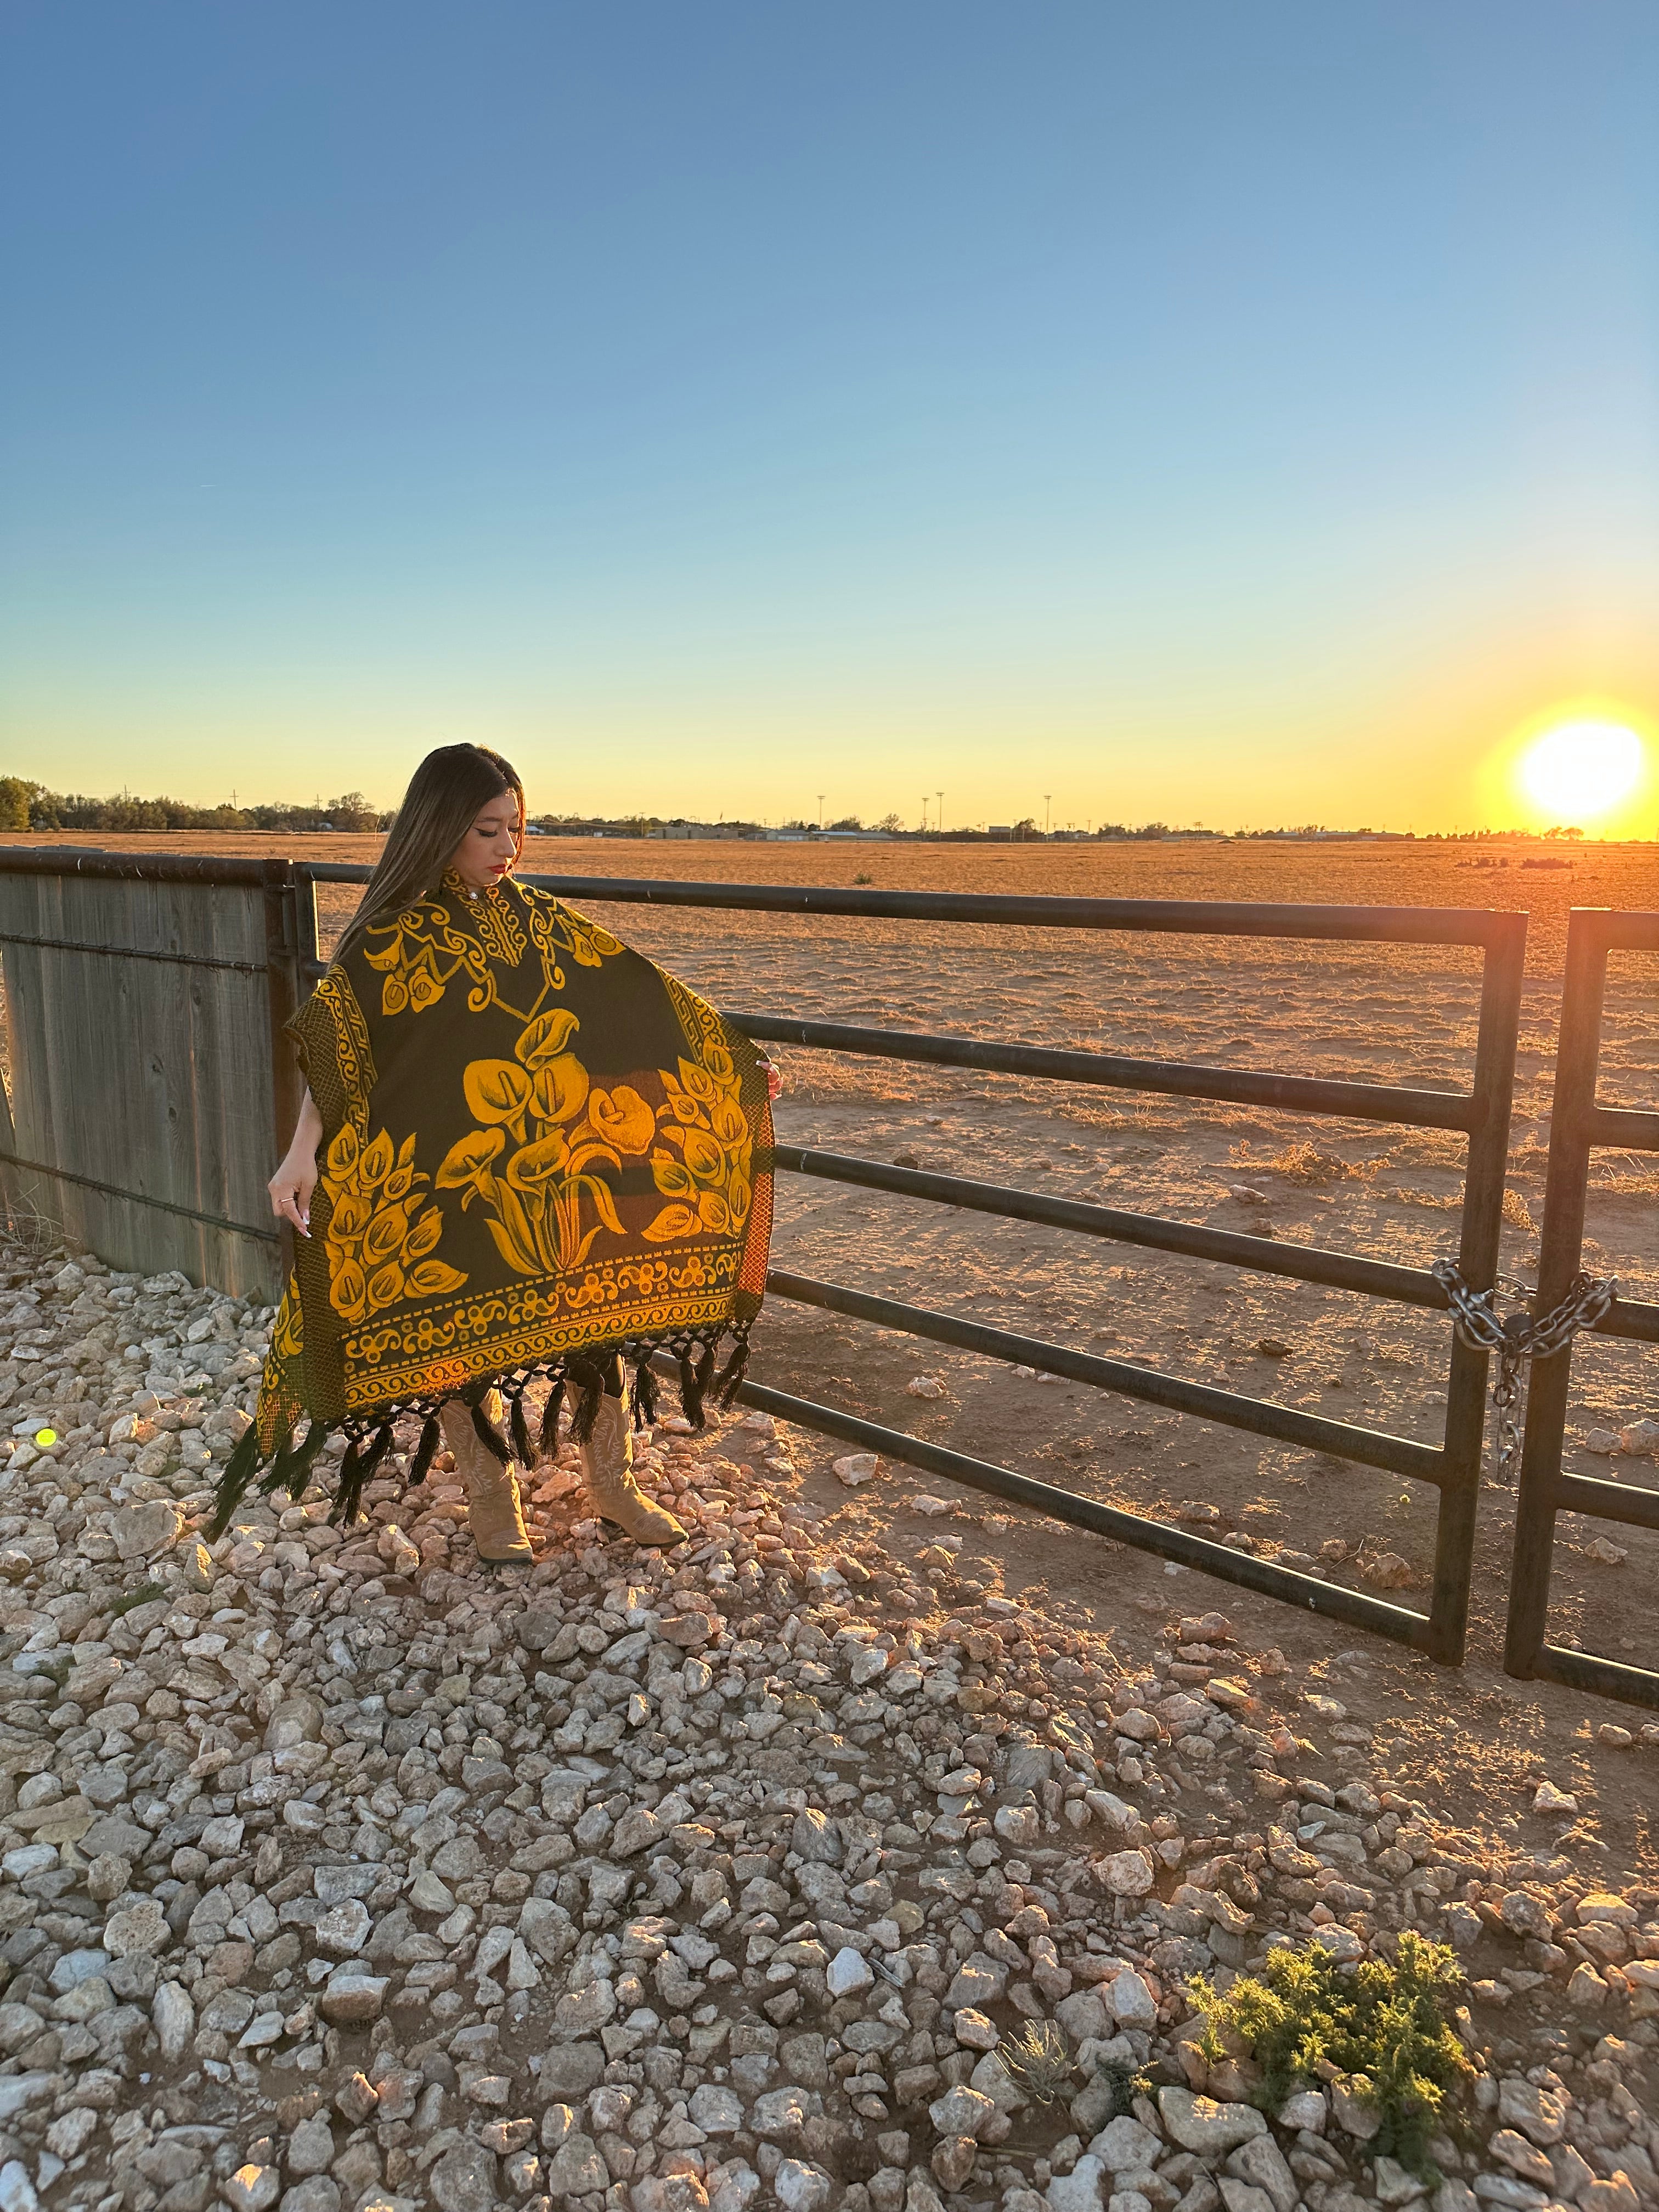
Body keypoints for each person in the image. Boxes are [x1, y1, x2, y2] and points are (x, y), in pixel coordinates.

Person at [216, 742, 779, 1566]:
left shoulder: (542, 922)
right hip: (451, 1178)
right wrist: (301, 1155)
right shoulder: (386, 943)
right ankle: (492, 1495)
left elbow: (641, 998)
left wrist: (736, 1061)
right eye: (487, 830)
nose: (507, 848)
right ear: (440, 827)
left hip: (555, 1173)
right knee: (460, 1346)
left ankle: (614, 1484)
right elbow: (338, 1062)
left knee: (593, 1325)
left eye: (516, 828)